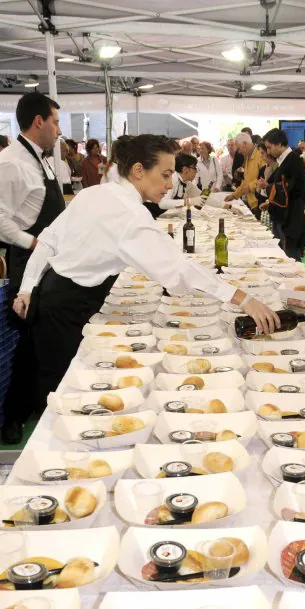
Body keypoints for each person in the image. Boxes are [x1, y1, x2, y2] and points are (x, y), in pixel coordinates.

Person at [13, 134, 280, 411]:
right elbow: (178, 268)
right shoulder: (129, 214)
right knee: (63, 390)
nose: (169, 184)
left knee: (59, 378)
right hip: (69, 304)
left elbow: (47, 240)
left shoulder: (95, 193)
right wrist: (243, 299)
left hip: (56, 291)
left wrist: (28, 287)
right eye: (165, 175)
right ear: (139, 170)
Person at [0, 93, 63, 444]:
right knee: (26, 340)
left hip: (50, 259)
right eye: (54, 121)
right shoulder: (11, 163)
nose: (58, 129)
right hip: (29, 261)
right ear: (38, 121)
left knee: (41, 338)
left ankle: (40, 405)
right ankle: (13, 416)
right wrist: (33, 243)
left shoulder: (42, 159)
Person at [260, 128, 305, 260]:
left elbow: (288, 191)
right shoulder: (286, 161)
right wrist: (271, 202)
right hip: (285, 218)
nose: (268, 152)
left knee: (291, 261)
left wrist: (269, 188)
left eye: (269, 148)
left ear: (279, 143)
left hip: (291, 219)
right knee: (286, 259)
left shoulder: (293, 161)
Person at [225, 132, 264, 218]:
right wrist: (234, 195)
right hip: (253, 204)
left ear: (245, 144)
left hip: (261, 203)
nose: (238, 152)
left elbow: (264, 179)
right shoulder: (247, 158)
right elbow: (245, 182)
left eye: (239, 149)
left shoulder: (260, 155)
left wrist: (249, 187)